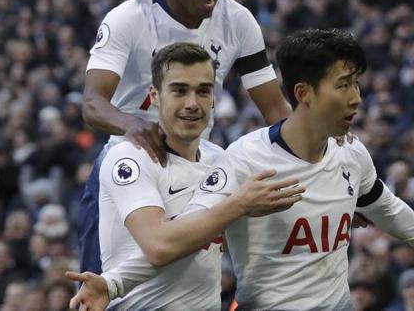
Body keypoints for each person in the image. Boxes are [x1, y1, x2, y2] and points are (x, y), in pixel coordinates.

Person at [72, 29, 414, 310]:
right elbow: (183, 236)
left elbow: (383, 203)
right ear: (304, 93)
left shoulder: (351, 153)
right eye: (344, 85)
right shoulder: (243, 162)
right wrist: (113, 285)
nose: (357, 98)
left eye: (357, 84)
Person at [78, 0, 292, 274]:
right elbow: (93, 102)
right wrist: (132, 124)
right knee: (99, 289)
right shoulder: (128, 18)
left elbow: (275, 110)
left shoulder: (239, 20)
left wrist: (321, 167)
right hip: (128, 164)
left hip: (196, 169)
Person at [68, 42, 303, 310]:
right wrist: (239, 206)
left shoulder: (220, 159)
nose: (192, 103)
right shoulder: (129, 158)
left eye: (203, 91)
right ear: (154, 95)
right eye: (179, 91)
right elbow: (159, 246)